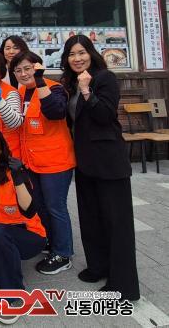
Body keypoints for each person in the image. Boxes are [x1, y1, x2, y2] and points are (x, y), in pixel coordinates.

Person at [60, 35, 140, 301]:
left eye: (81, 52)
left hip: (108, 162)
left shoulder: (104, 78)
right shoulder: (70, 83)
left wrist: (87, 91)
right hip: (84, 162)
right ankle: (98, 267)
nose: (77, 58)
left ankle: (124, 285)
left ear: (91, 53)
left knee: (117, 224)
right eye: (72, 54)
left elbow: (105, 116)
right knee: (91, 218)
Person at [0, 126, 46, 325]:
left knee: (0, 232)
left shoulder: (15, 170)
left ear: (1, 148)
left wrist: (19, 176)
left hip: (29, 235)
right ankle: (8, 262)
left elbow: (29, 211)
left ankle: (13, 296)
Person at [10, 51, 75, 275]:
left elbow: (56, 112)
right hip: (32, 162)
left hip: (55, 162)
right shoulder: (20, 92)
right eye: (18, 70)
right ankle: (51, 242)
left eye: (27, 68)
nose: (23, 74)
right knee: (40, 206)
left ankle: (63, 254)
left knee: (56, 208)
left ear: (38, 67)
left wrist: (39, 80)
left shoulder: (54, 88)